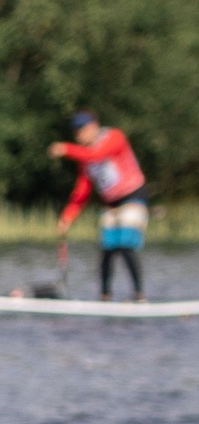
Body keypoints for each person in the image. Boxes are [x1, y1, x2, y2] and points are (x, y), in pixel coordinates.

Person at [50, 112, 150, 301]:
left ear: (94, 126)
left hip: (133, 195)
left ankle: (139, 295)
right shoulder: (84, 156)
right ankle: (105, 296)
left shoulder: (114, 137)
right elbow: (82, 190)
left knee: (126, 244)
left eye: (82, 129)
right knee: (108, 248)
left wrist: (66, 149)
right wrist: (67, 217)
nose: (79, 135)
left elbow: (98, 154)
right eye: (76, 131)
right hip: (111, 203)